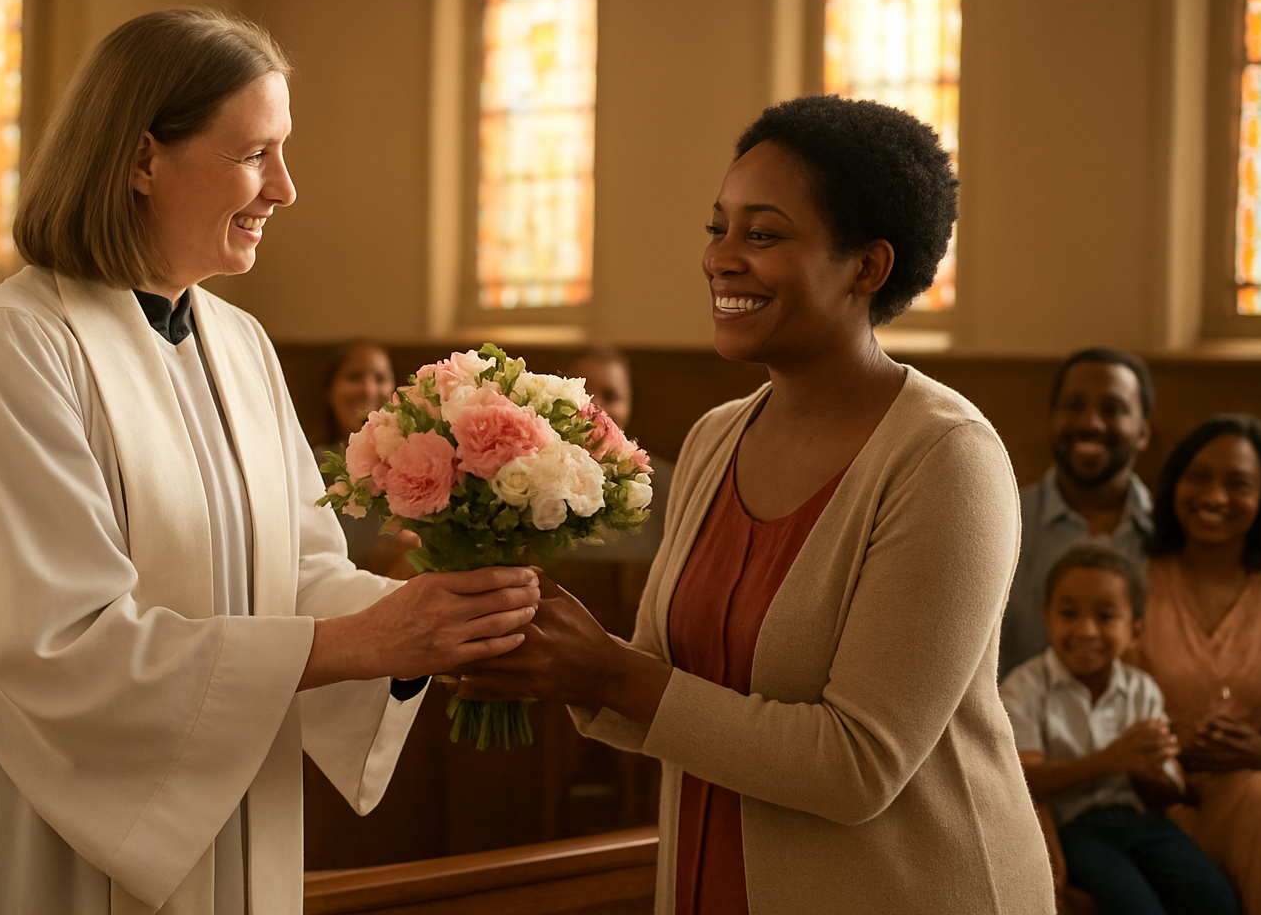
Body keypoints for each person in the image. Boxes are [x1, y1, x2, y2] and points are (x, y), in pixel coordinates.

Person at [0, 9, 540, 915]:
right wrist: (366, 641)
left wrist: (436, 625)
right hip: (47, 843)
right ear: (143, 159)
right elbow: (59, 645)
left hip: (232, 825)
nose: (286, 189)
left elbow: (298, 572)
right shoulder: (14, 346)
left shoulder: (240, 342)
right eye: (256, 154)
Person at [455, 95, 1053, 912]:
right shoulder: (714, 438)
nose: (721, 258)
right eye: (718, 228)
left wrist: (610, 672)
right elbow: (673, 683)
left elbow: (857, 765)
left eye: (762, 234)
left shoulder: (946, 458)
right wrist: (552, 654)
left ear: (866, 267)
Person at [1000, 542, 1239, 915]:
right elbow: (1025, 780)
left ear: (1136, 630)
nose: (1086, 630)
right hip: (1077, 831)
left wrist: (1158, 771)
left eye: (1107, 616)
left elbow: (1165, 790)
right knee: (1137, 908)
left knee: (1215, 899)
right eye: (1068, 613)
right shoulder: (1024, 688)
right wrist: (1113, 759)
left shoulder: (1142, 689)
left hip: (1142, 824)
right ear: (1047, 616)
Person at [1128, 415, 1261, 915]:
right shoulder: (1132, 585)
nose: (1214, 497)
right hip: (1148, 797)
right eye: (1199, 477)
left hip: (1249, 799)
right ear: (1174, 485)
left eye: (1238, 484)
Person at [1000, 348, 1155, 679]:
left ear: (1143, 432)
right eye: (1074, 406)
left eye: (1113, 410)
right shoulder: (1004, 522)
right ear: (1052, 418)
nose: (1090, 423)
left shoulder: (1170, 532)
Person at [310, 341, 419, 579]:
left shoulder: (417, 463)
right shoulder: (309, 467)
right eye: (354, 377)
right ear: (330, 390)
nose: (368, 388)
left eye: (380, 378)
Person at [563, 347, 673, 563]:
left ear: (630, 405)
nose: (596, 409)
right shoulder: (530, 477)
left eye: (611, 396)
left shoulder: (671, 484)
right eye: (585, 394)